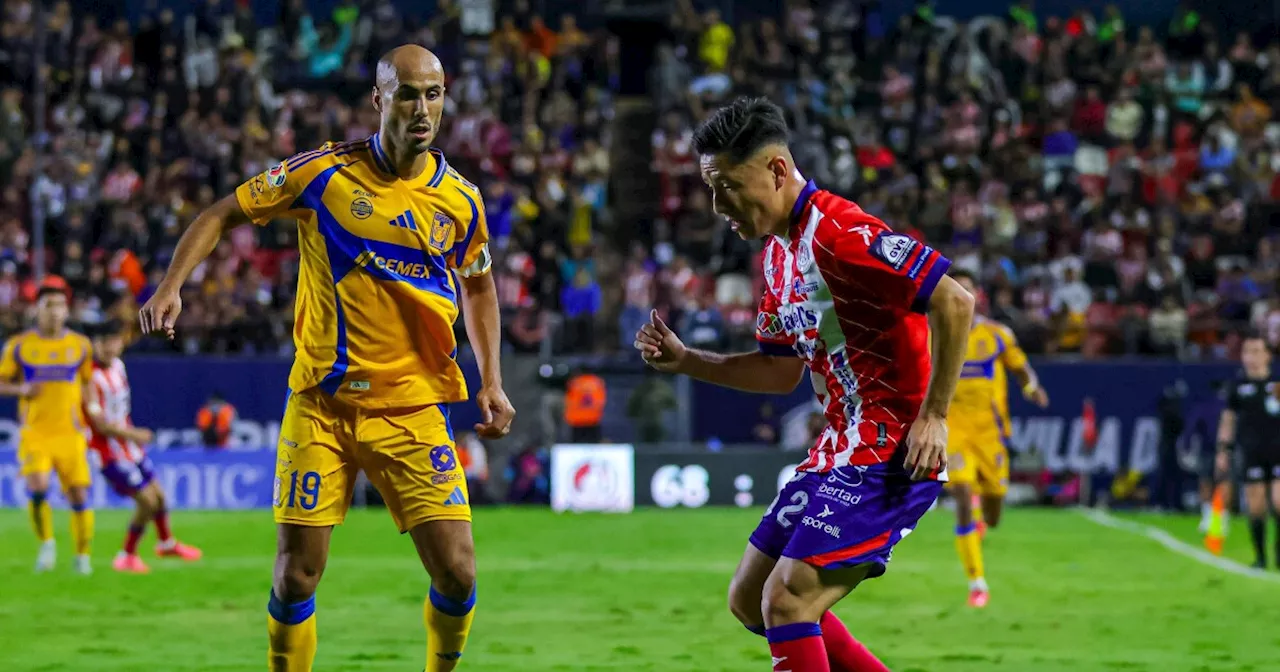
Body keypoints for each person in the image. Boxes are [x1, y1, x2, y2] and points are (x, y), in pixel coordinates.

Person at [138, 45, 515, 672]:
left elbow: (479, 286)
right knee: (296, 578)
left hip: (413, 407)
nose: (422, 109)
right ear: (379, 99)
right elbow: (222, 213)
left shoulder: (462, 201)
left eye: (434, 94)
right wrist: (171, 285)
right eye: (407, 94)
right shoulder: (323, 174)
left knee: (458, 572)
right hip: (323, 403)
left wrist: (493, 380)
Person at [634, 97, 974, 672]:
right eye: (710, 190)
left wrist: (935, 415)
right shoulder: (776, 256)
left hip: (890, 452)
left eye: (727, 187)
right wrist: (688, 359)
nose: (719, 206)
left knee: (788, 600)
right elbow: (779, 369)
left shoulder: (841, 234)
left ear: (775, 170)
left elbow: (955, 300)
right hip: (836, 452)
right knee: (750, 599)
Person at [945, 269, 1049, 608]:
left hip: (990, 434)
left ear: (977, 298)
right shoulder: (936, 334)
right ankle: (977, 581)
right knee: (961, 494)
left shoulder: (997, 335)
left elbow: (1020, 368)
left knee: (993, 513)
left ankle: (983, 514)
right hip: (954, 431)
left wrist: (1031, 388)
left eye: (967, 290)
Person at [85, 319, 203, 573]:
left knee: (160, 497)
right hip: (108, 452)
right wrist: (134, 434)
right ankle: (125, 555)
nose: (107, 347)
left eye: (113, 341)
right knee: (147, 502)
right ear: (95, 344)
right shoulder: (89, 378)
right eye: (102, 342)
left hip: (129, 448)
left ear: (120, 343)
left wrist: (131, 437)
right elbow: (100, 426)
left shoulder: (118, 366)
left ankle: (166, 543)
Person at [0, 286, 98, 574]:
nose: (54, 311)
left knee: (79, 495)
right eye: (48, 305)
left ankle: (82, 557)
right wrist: (22, 388)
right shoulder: (19, 345)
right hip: (36, 433)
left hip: (70, 432)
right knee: (39, 487)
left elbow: (87, 381)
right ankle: (47, 544)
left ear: (67, 311)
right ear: (37, 310)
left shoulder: (80, 345)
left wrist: (92, 411)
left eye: (59, 305)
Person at [1215, 334, 1280, 569]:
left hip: (1278, 451)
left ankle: (1279, 550)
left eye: (1256, 351)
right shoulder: (1238, 388)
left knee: (1279, 500)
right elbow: (1228, 420)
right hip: (1252, 452)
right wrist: (1223, 450)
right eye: (1246, 352)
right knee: (1256, 507)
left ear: (1267, 356)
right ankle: (1260, 557)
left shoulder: (1277, 385)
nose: (1250, 357)